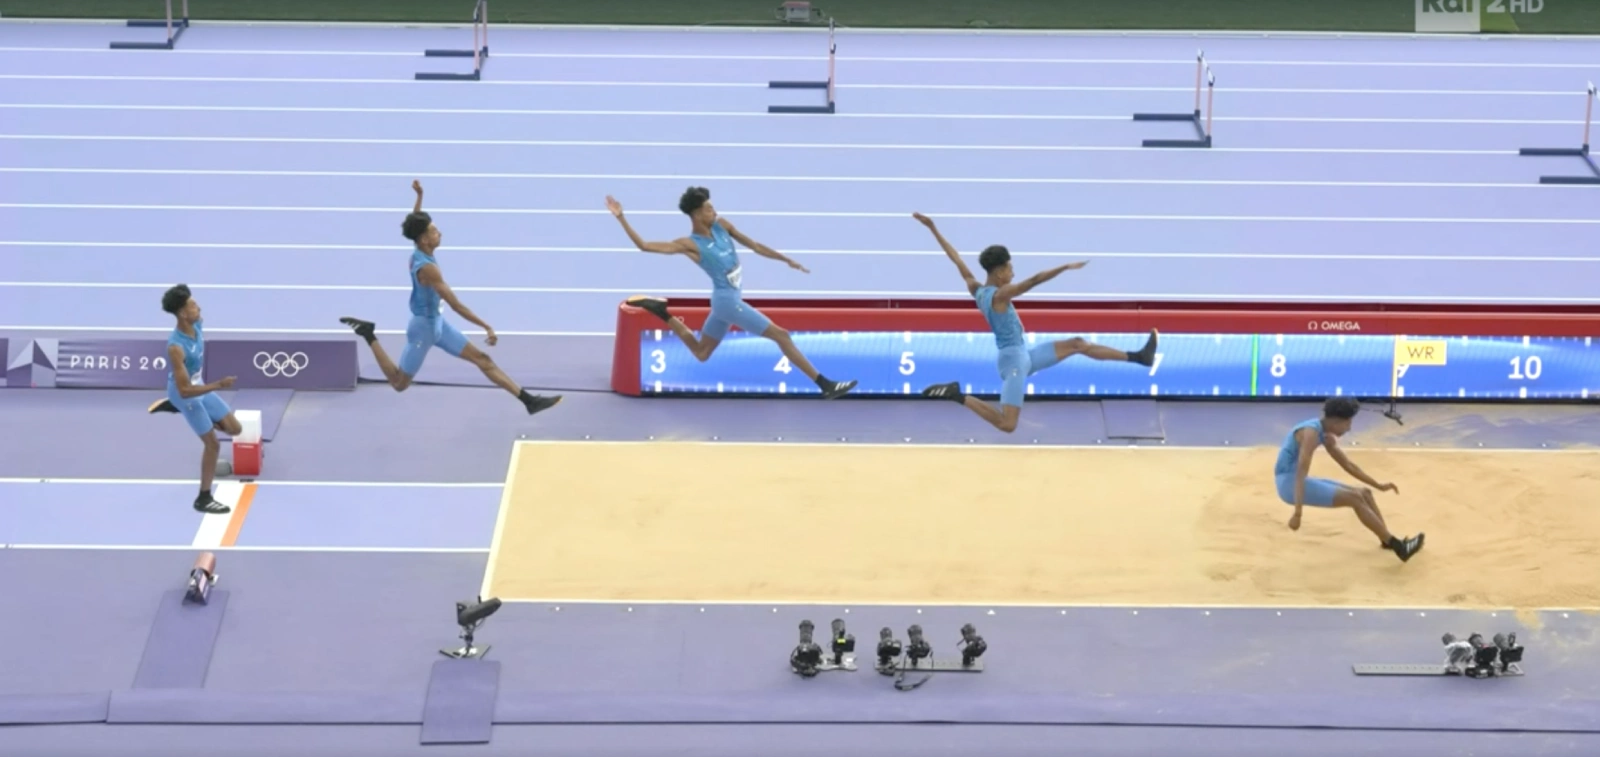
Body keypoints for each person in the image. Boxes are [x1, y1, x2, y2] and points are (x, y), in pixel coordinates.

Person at [910, 213, 1157, 432]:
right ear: (998, 273)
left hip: (1023, 355)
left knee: (1078, 344)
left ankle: (1138, 357)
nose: (1013, 273)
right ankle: (958, 395)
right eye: (1009, 269)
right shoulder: (999, 296)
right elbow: (1034, 280)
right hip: (1014, 362)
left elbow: (957, 260)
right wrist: (1064, 267)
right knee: (1008, 424)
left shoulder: (976, 289)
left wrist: (932, 228)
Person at [605, 187, 857, 399]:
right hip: (727, 302)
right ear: (696, 214)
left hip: (724, 303)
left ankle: (662, 313)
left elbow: (755, 246)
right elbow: (645, 246)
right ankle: (825, 385)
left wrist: (785, 260)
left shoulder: (722, 226)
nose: (714, 212)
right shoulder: (690, 245)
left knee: (702, 353)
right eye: (708, 209)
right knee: (781, 335)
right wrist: (620, 217)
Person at [339, 180, 562, 416]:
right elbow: (456, 305)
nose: (440, 233)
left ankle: (529, 401)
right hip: (423, 329)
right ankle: (368, 334)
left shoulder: (419, 247)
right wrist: (486, 326)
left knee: (483, 359)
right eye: (434, 231)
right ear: (424, 239)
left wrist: (419, 197)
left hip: (437, 323)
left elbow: (416, 221)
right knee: (399, 383)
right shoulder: (428, 270)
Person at [1276, 397, 1425, 562]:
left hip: (1296, 480)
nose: (1350, 428)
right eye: (1348, 423)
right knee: (1354, 498)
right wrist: (1297, 514)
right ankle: (1399, 547)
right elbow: (1300, 473)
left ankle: (1386, 540)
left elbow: (1348, 465)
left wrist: (1378, 485)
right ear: (1336, 422)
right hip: (1288, 484)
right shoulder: (1310, 434)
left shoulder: (1325, 434)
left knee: (1365, 493)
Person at [153, 284, 240, 514]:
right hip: (186, 394)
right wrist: (219, 385)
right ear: (182, 313)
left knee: (234, 429)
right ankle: (203, 498)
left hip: (199, 387)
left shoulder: (197, 324)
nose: (198, 307)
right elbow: (184, 390)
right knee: (212, 444)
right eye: (192, 305)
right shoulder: (175, 347)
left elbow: (194, 383)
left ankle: (175, 408)